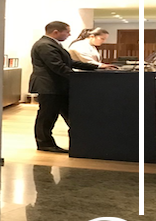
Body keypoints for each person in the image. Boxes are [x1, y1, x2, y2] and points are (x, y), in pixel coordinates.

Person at [29, 21, 115, 153]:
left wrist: (97, 66)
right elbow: (58, 66)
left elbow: (70, 62)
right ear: (56, 32)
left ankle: (83, 141)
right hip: (49, 86)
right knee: (47, 116)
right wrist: (77, 78)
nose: (69, 35)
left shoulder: (52, 44)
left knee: (69, 114)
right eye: (67, 32)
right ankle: (44, 143)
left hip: (57, 86)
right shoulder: (45, 45)